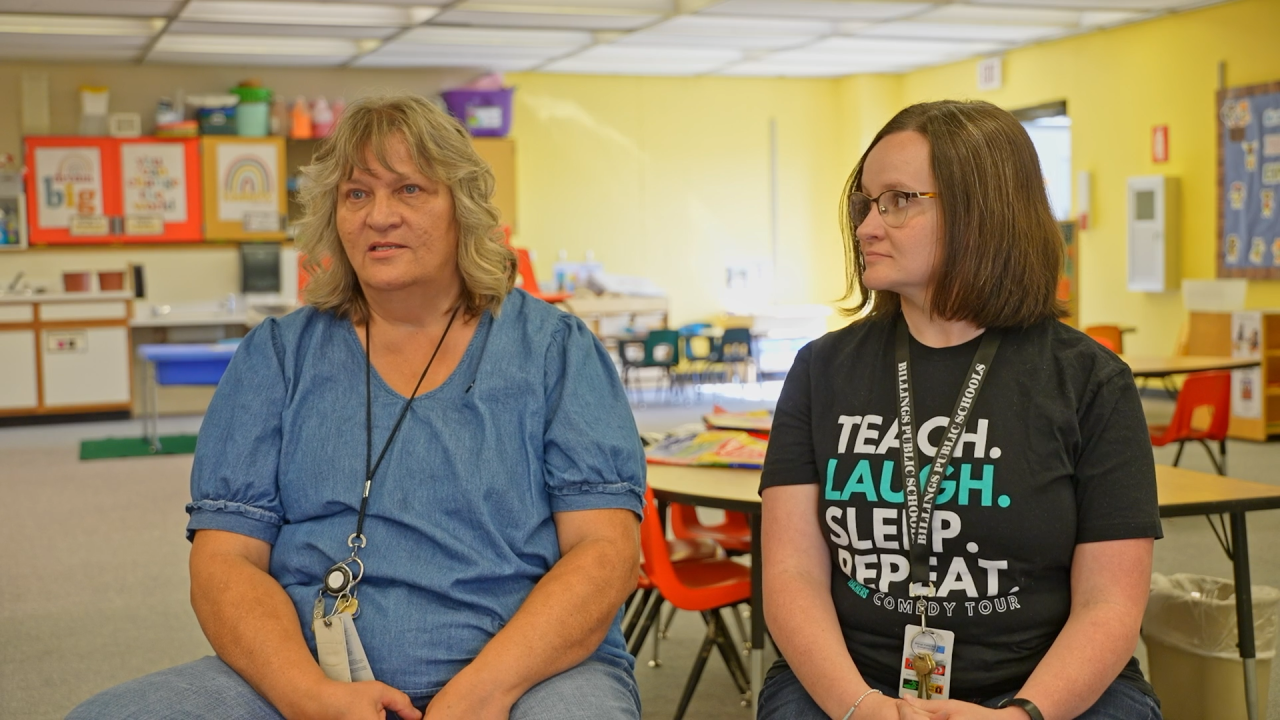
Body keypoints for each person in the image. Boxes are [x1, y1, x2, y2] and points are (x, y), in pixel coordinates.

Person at [69, 94, 646, 720]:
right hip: (306, 674)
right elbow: (225, 559)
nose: (380, 217)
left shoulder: (556, 352)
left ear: (464, 209)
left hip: (529, 677)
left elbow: (603, 551)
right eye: (357, 194)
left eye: (409, 191)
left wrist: (482, 693)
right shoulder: (277, 358)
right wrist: (308, 696)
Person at [758, 100, 1162, 720]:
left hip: (1044, 684)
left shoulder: (1089, 382)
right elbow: (791, 576)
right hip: (855, 679)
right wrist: (862, 707)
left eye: (897, 200)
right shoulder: (821, 370)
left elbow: (1109, 604)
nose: (867, 225)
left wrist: (1024, 716)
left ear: (984, 210)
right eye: (864, 203)